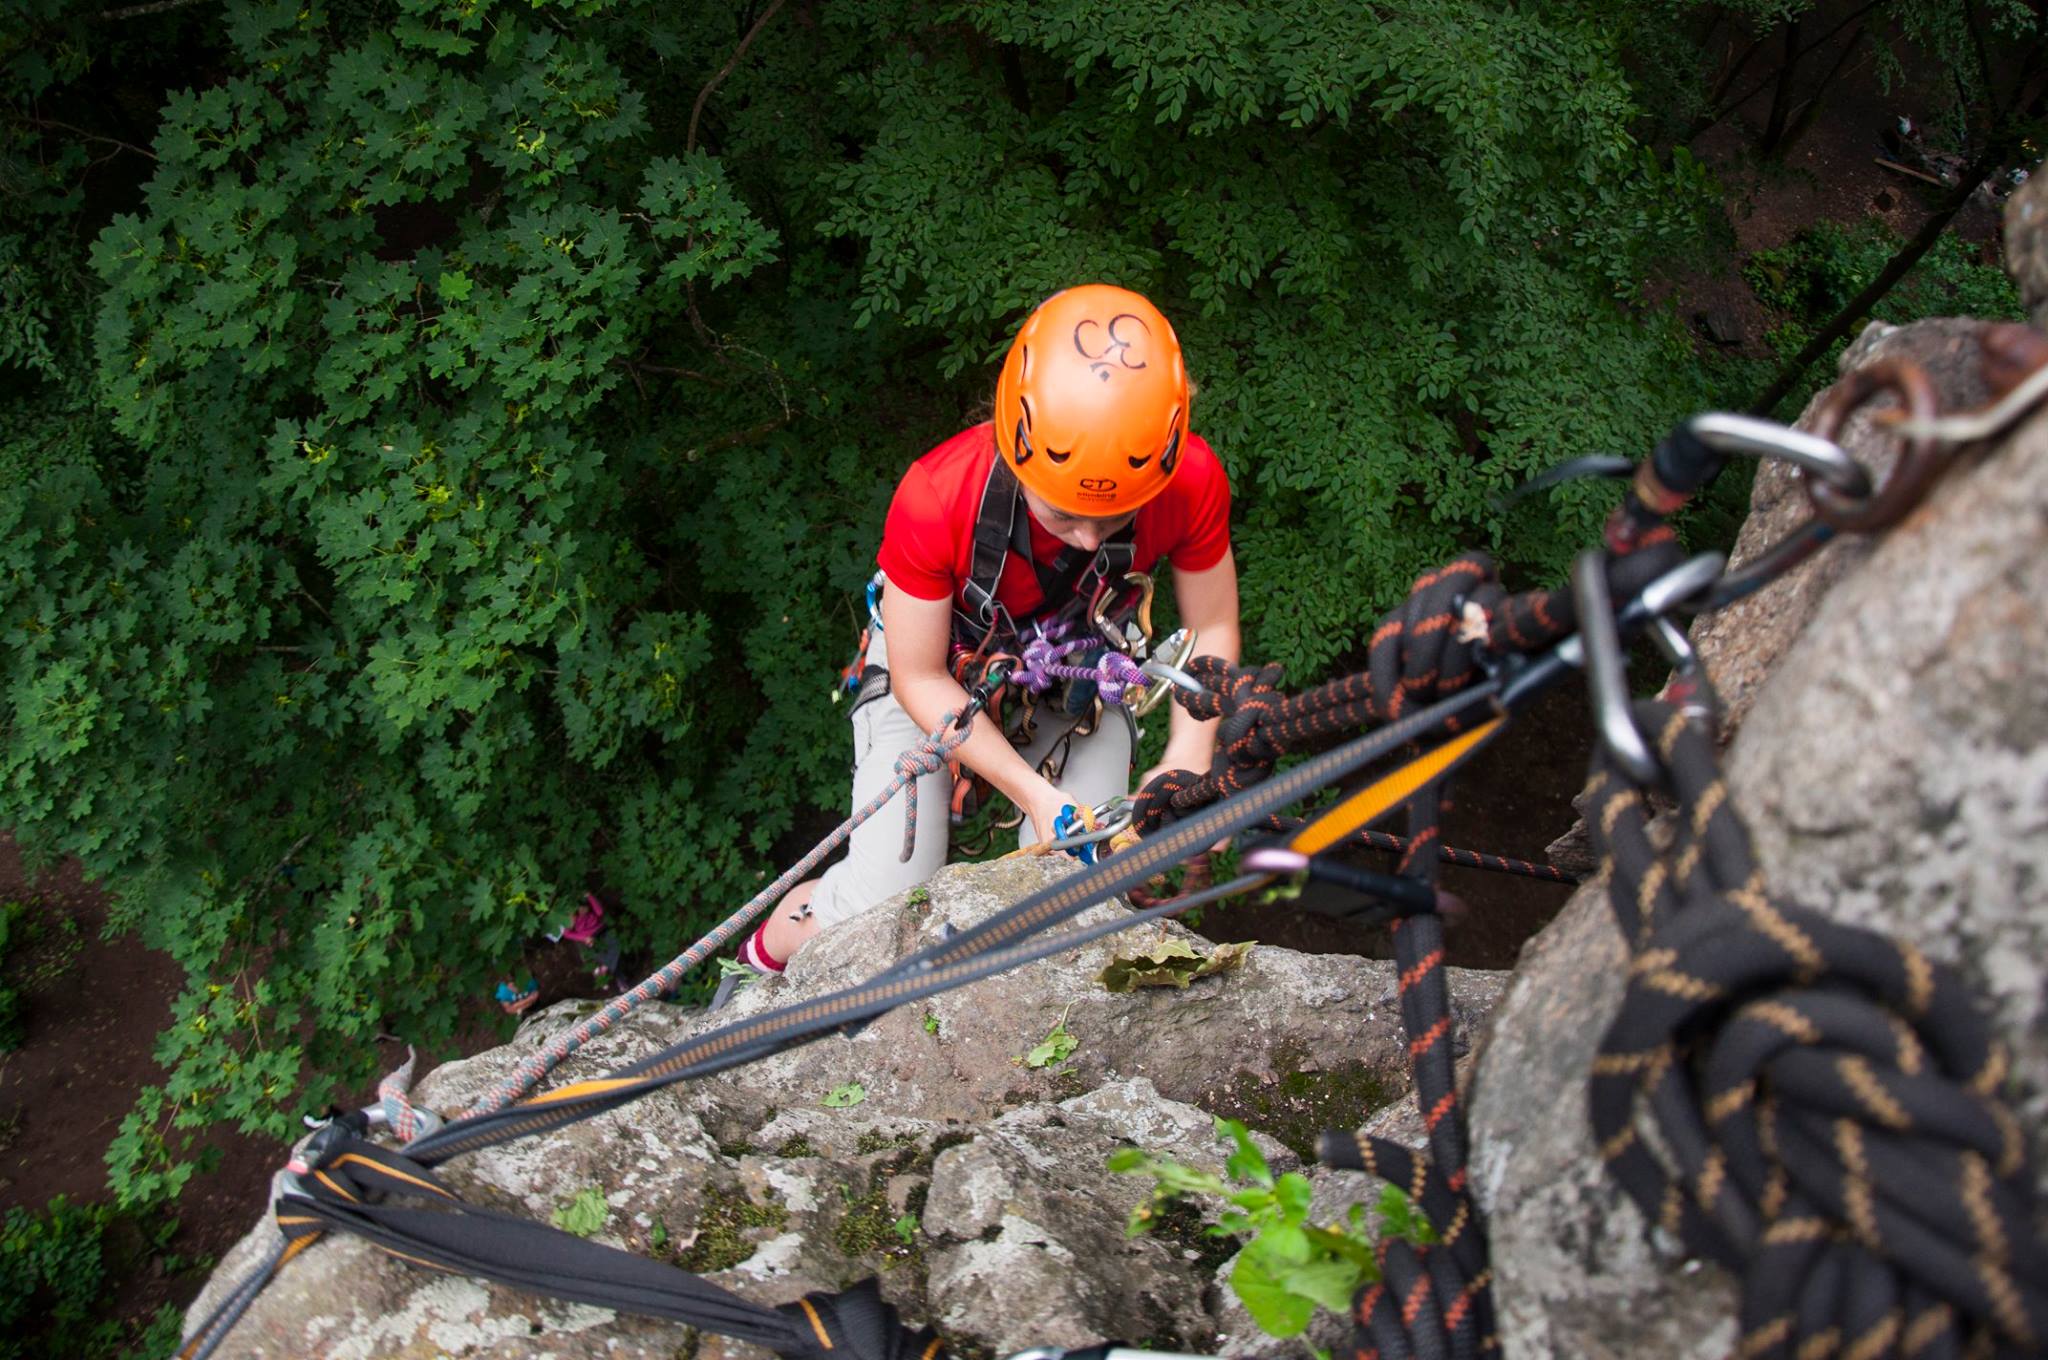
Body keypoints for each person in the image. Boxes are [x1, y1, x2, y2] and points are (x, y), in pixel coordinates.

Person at [738, 284, 1240, 976]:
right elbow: (917, 676)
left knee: (1084, 890)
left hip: (1074, 680)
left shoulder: (1189, 480)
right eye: (1065, 516)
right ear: (1018, 442)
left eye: (1117, 517)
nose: (1093, 542)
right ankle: (785, 934)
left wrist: (1189, 751)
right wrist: (1034, 796)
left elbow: (1211, 626)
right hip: (932, 675)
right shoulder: (937, 496)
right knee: (881, 906)